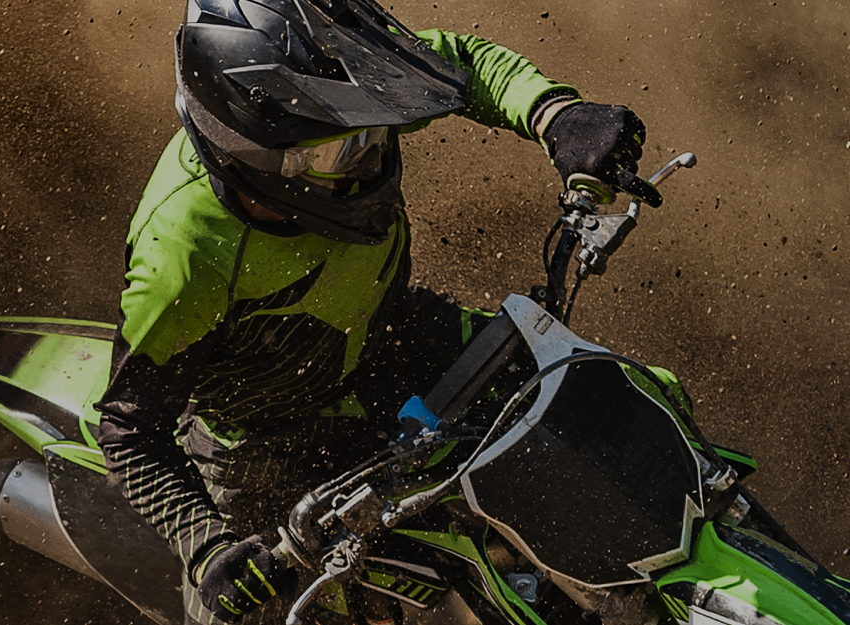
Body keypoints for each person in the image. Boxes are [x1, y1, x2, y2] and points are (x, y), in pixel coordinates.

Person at [96, 0, 661, 623]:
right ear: (252, 154)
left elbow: (466, 66)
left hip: (396, 345)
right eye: (339, 153)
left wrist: (557, 115)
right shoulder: (183, 254)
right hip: (264, 457)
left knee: (620, 402)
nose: (367, 160)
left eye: (373, 131)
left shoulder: (336, 98)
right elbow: (130, 431)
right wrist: (207, 550)